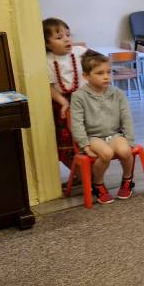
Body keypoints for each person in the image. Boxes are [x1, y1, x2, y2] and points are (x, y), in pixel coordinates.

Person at [69, 50, 136, 204]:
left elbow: (127, 119)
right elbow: (77, 124)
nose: (106, 76)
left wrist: (129, 140)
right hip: (93, 137)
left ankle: (127, 179)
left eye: (108, 72)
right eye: (100, 73)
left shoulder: (118, 93)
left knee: (125, 151)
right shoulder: (78, 96)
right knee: (106, 153)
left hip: (115, 134)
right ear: (86, 76)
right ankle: (98, 184)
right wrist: (85, 145)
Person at [45, 17, 88, 171]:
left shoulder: (81, 52)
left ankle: (92, 173)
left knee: (90, 137)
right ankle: (79, 174)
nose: (66, 39)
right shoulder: (47, 61)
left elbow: (98, 65)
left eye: (68, 35)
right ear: (47, 44)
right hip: (63, 104)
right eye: (59, 37)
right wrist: (63, 101)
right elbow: (49, 87)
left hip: (85, 101)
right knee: (68, 141)